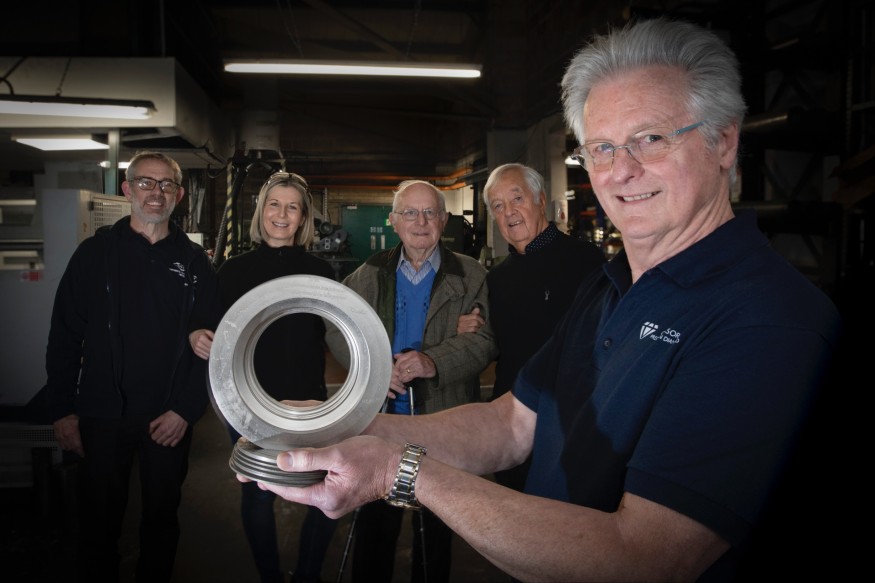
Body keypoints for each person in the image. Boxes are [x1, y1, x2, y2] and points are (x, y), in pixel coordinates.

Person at [247, 18, 842, 582]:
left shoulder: (767, 320)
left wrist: (393, 470)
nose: (621, 171)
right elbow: (510, 423)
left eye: (651, 138)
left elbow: (644, 560)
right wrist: (350, 425)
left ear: (725, 142)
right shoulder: (608, 287)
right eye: (601, 148)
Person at [43, 151, 221, 582]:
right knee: (98, 523)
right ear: (127, 189)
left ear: (179, 195)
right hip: (103, 414)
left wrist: (185, 410)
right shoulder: (94, 254)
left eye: (166, 185)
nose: (155, 193)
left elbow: (213, 346)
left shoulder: (195, 262)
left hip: (167, 417)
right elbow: (64, 335)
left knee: (161, 520)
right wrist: (63, 409)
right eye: (145, 182)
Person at [323, 179, 497, 583]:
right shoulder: (370, 272)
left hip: (444, 420)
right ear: (394, 221)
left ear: (444, 220)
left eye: (430, 212)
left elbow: (485, 341)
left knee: (435, 529)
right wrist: (372, 371)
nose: (421, 222)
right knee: (375, 526)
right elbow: (335, 326)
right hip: (382, 421)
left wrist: (433, 361)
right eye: (410, 213)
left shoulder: (470, 273)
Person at [189, 171, 339, 583]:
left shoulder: (320, 271)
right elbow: (206, 324)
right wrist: (198, 335)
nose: (282, 214)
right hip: (247, 402)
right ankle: (270, 577)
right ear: (261, 211)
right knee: (257, 493)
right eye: (274, 204)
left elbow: (343, 332)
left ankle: (307, 575)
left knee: (324, 491)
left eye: (292, 207)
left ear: (303, 217)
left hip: (308, 399)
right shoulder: (233, 271)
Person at [474, 162, 605, 492]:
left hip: (570, 423)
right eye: (498, 206)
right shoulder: (497, 278)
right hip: (512, 424)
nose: (509, 212)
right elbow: (497, 345)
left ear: (541, 200)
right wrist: (471, 326)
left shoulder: (586, 261)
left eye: (517, 199)